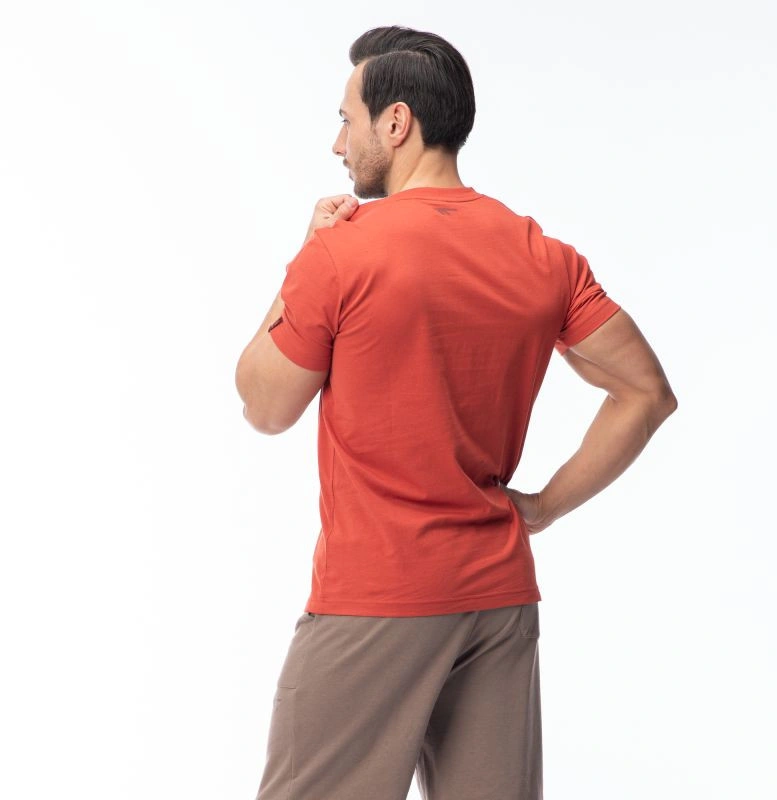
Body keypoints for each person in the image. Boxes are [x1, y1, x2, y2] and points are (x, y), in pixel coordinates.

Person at [235, 24, 677, 800]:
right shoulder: (543, 255)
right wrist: (542, 507)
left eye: (345, 120)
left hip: (377, 598)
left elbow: (264, 404)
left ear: (395, 123)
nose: (338, 144)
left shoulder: (342, 252)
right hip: (498, 600)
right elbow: (646, 391)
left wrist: (303, 259)